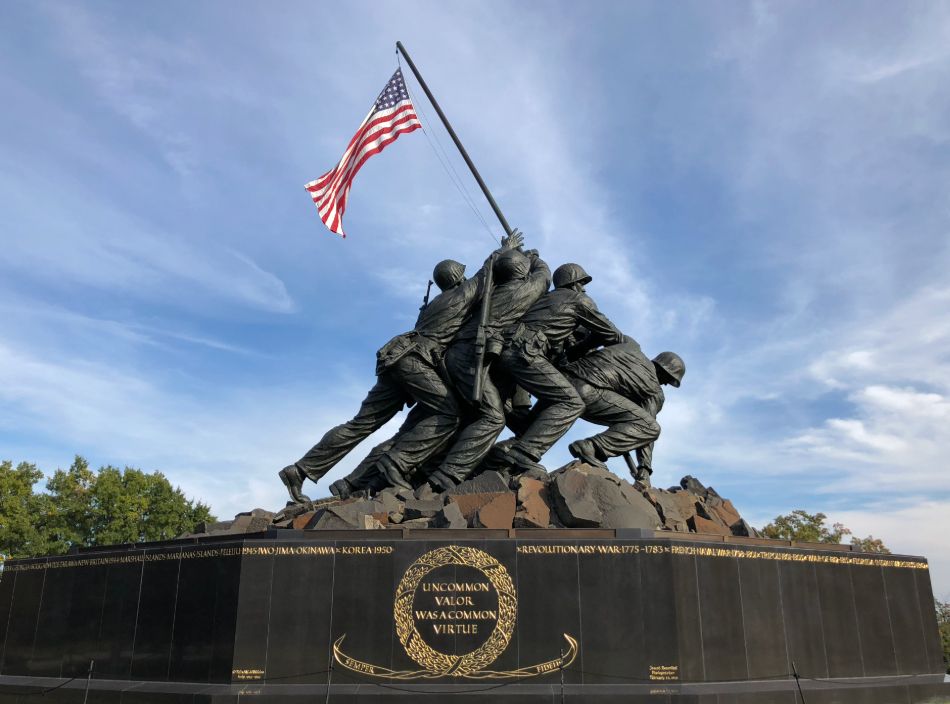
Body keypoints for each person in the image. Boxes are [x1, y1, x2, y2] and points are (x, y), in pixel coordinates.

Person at [278, 232, 523, 503]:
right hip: (415, 361)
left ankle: (301, 470)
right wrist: (504, 250)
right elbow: (485, 276)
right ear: (457, 278)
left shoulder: (433, 305)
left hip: (395, 358)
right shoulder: (460, 295)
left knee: (361, 424)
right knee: (449, 413)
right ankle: (396, 464)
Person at [427, 248, 551, 490]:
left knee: (481, 414)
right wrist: (533, 257)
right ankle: (446, 475)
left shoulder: (485, 295)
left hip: (460, 357)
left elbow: (483, 277)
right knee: (493, 417)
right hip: (469, 357)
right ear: (521, 270)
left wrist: (507, 254)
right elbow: (544, 276)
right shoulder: (522, 290)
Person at [491, 263, 623, 473]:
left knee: (499, 412)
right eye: (582, 283)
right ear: (573, 283)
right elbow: (613, 335)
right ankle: (523, 453)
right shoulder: (580, 300)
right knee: (570, 402)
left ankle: (500, 452)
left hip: (503, 350)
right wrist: (585, 346)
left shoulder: (544, 299)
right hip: (525, 352)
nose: (584, 288)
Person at [560, 337, 685, 485]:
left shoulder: (630, 348)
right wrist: (644, 468)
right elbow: (646, 429)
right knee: (651, 427)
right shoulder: (654, 391)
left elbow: (598, 336)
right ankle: (592, 447)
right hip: (588, 394)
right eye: (668, 379)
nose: (665, 384)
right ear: (664, 371)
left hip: (563, 379)